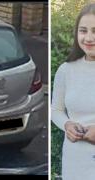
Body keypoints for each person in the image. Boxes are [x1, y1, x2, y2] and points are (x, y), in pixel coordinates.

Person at [51, 3, 95, 180]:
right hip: (75, 160)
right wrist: (67, 125)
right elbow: (56, 110)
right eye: (83, 30)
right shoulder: (66, 70)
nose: (89, 38)